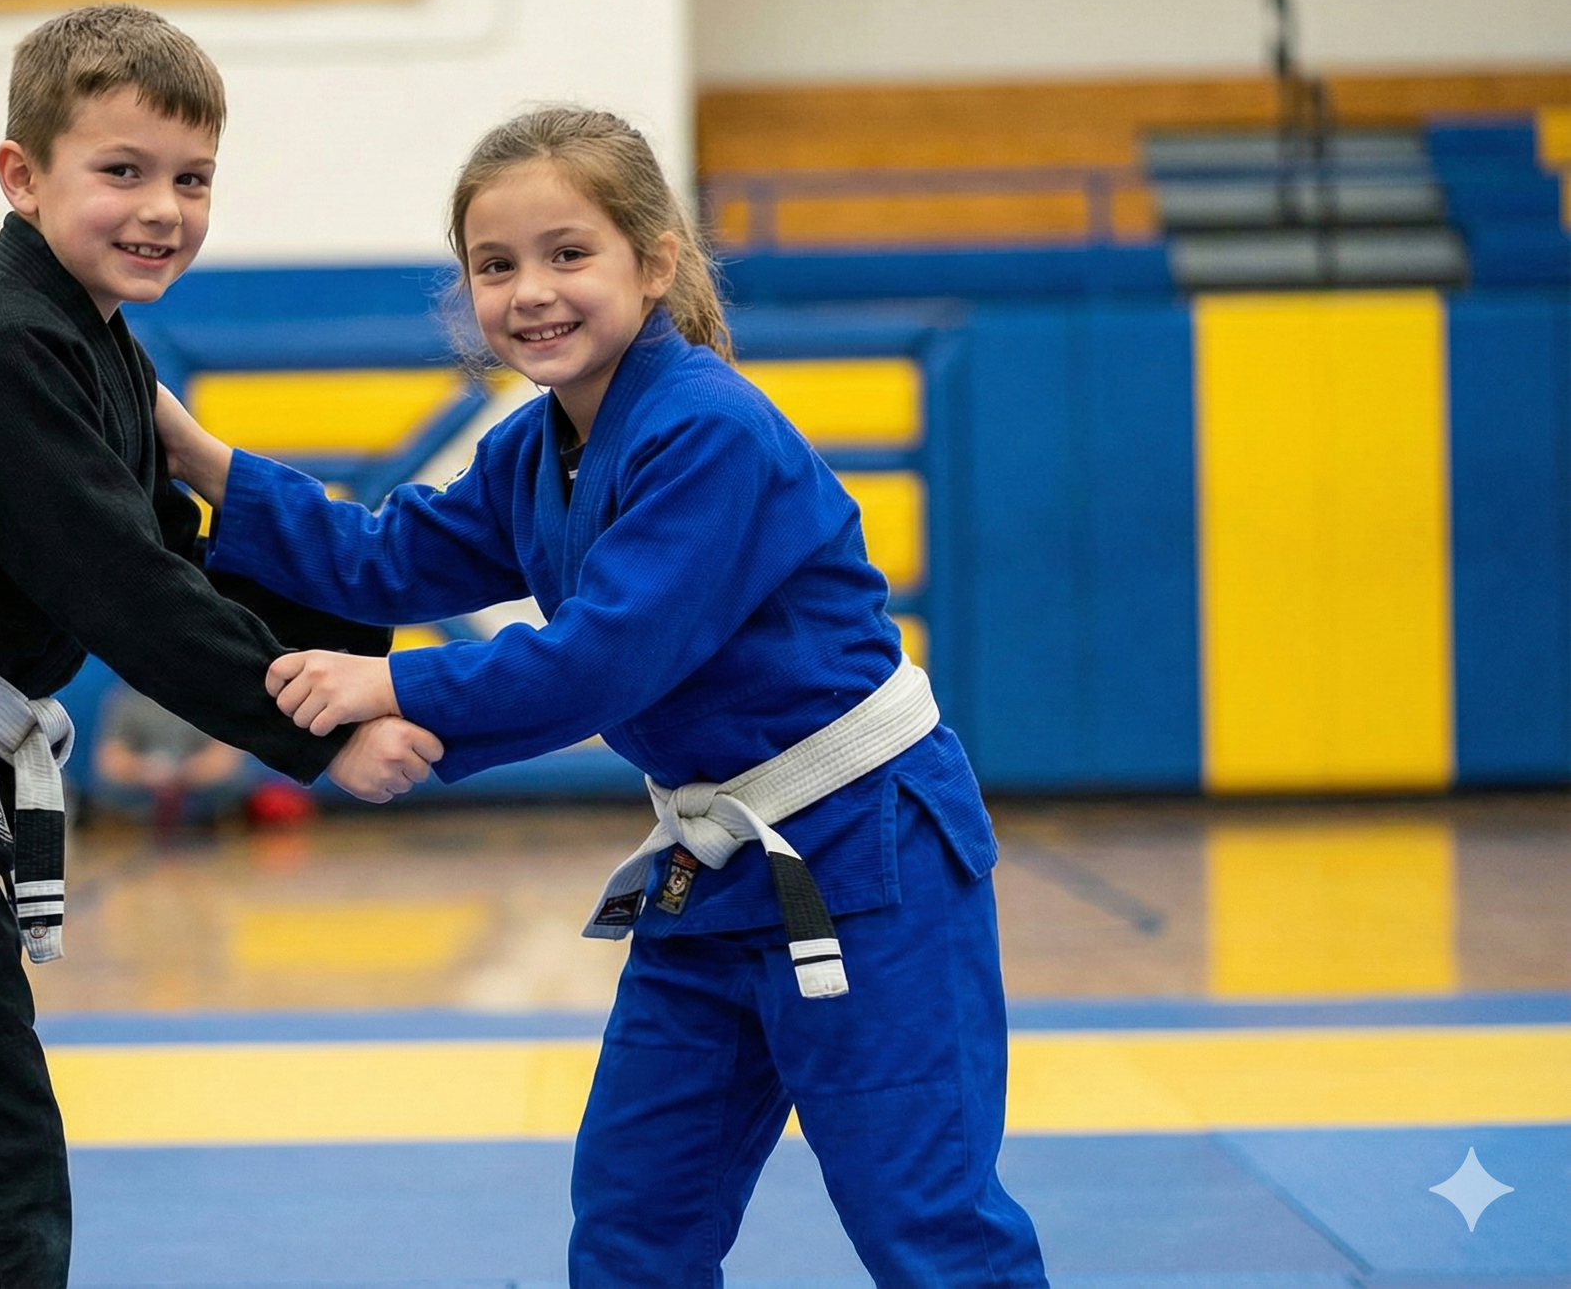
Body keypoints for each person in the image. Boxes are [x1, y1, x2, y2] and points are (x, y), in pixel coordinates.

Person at [154, 106, 1047, 1286]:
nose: (532, 291)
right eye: (496, 264)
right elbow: (381, 556)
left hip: (865, 851)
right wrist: (195, 456)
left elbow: (603, 657)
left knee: (923, 1221)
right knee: (635, 1223)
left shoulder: (710, 430)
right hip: (713, 870)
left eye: (568, 253)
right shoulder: (534, 450)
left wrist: (387, 678)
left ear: (655, 259)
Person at [0, 4, 445, 1287]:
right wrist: (322, 731)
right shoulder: (4, 342)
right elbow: (123, 592)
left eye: (192, 178)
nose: (162, 208)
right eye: (122, 171)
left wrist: (350, 655)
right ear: (21, 175)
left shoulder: (88, 343)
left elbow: (186, 560)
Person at [87, 680, 253, 834]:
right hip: (142, 788)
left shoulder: (211, 697)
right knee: (108, 788)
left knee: (233, 784)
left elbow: (226, 755)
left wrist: (183, 774)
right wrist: (147, 771)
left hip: (200, 788)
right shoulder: (124, 700)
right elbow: (110, 759)